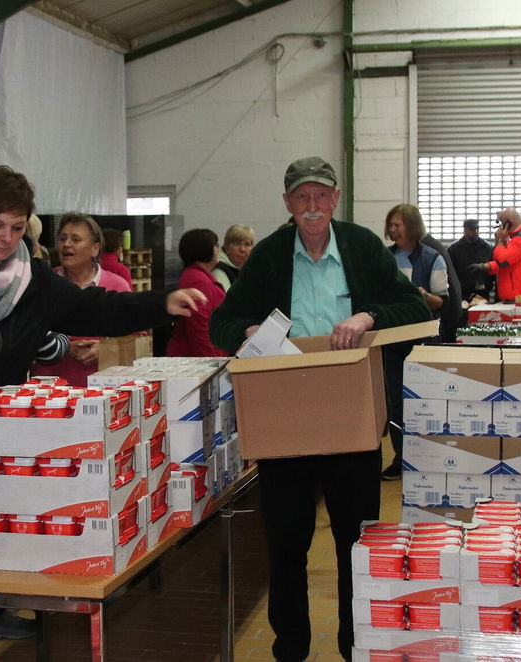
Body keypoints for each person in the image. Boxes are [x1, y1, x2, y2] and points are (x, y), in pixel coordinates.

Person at [0, 166, 207, 661]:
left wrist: (161, 304)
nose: (6, 239)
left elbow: (98, 308)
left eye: (17, 227)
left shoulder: (35, 282)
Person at [209, 156, 427, 661]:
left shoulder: (362, 247)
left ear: (335, 200)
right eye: (301, 198)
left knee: (357, 545)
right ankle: (291, 648)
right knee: (287, 546)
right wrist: (249, 332)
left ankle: (356, 646)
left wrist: (368, 315)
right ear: (287, 204)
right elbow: (222, 323)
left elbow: (413, 307)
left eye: (321, 196)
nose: (312, 206)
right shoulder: (266, 257)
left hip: (351, 419)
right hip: (285, 421)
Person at [380, 204, 461, 480]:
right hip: (392, 339)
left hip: (424, 339)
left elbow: (443, 301)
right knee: (395, 401)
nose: (393, 230)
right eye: (390, 225)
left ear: (412, 226)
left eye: (398, 225)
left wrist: (424, 297)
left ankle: (428, 456)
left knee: (424, 399)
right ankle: (400, 457)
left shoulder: (433, 257)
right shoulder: (385, 258)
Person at [31, 212, 134, 385]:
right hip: (49, 394)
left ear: (95, 248)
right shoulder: (42, 282)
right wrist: (63, 347)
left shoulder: (117, 286)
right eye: (63, 239)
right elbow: (26, 332)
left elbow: (137, 342)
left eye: (76, 239)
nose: (66, 245)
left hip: (104, 390)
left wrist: (106, 350)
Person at [168, 229, 228, 357]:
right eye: (216, 245)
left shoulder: (196, 276)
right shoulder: (199, 281)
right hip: (197, 359)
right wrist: (212, 363)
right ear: (207, 249)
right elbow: (199, 327)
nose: (219, 250)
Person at [469, 208, 521, 302]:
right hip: (519, 298)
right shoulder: (519, 238)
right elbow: (513, 264)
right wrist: (487, 266)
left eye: (501, 223)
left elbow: (503, 261)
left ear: (508, 224)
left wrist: (500, 241)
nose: (500, 227)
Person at [447, 219, 494, 303]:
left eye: (477, 229)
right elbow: (450, 272)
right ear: (465, 230)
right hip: (461, 293)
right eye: (472, 229)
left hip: (483, 294)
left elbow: (493, 269)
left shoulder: (488, 248)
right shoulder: (453, 249)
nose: (475, 231)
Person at [213, 224, 255, 291]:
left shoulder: (250, 268)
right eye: (237, 244)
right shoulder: (219, 271)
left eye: (247, 244)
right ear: (226, 247)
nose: (242, 249)